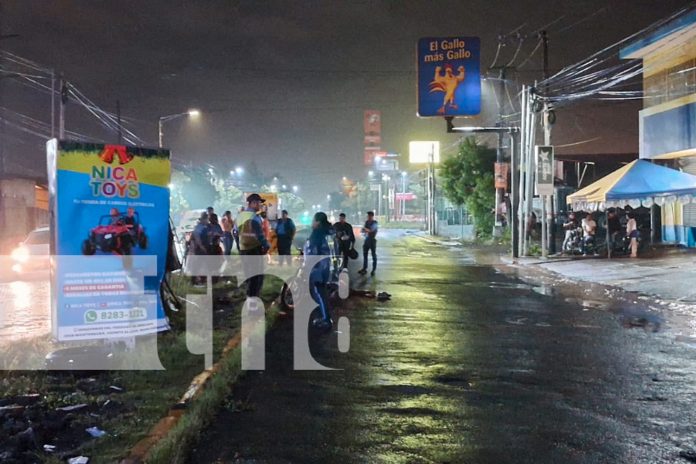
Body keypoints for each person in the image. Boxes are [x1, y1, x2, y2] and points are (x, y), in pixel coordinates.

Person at [303, 212, 335, 331]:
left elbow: (314, 251)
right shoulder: (328, 233)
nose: (312, 223)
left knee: (320, 293)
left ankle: (326, 319)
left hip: (318, 267)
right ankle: (325, 316)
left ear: (318, 222)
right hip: (326, 266)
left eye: (313, 220)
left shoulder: (318, 234)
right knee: (321, 293)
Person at [237, 194, 270, 298]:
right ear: (253, 203)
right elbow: (259, 235)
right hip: (253, 249)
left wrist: (240, 246)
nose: (260, 205)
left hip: (243, 249)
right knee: (256, 276)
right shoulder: (254, 217)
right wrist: (266, 245)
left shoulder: (240, 216)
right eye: (259, 203)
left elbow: (235, 232)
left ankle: (249, 294)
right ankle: (253, 300)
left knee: (248, 273)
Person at [190, 212, 210, 286]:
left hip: (203, 248)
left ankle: (202, 280)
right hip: (200, 249)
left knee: (203, 265)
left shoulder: (204, 227)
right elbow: (197, 237)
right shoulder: (199, 227)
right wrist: (201, 246)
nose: (207, 221)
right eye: (207, 219)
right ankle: (195, 281)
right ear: (203, 219)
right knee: (199, 265)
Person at [358, 211, 378, 276]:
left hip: (372, 240)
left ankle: (373, 270)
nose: (368, 217)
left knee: (373, 255)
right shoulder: (367, 222)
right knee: (365, 255)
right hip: (366, 240)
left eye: (369, 216)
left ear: (372, 216)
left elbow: (371, 230)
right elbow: (363, 231)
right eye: (368, 216)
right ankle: (364, 268)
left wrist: (365, 229)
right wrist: (364, 230)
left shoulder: (375, 223)